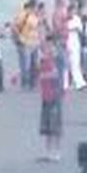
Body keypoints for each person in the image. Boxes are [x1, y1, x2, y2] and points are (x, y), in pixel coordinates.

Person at [36, 32, 65, 161]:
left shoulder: (59, 57)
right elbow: (39, 71)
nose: (48, 47)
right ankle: (48, 151)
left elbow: (56, 74)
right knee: (47, 123)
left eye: (50, 45)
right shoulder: (45, 58)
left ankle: (57, 151)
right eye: (47, 45)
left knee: (55, 123)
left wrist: (42, 76)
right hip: (46, 93)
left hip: (55, 93)